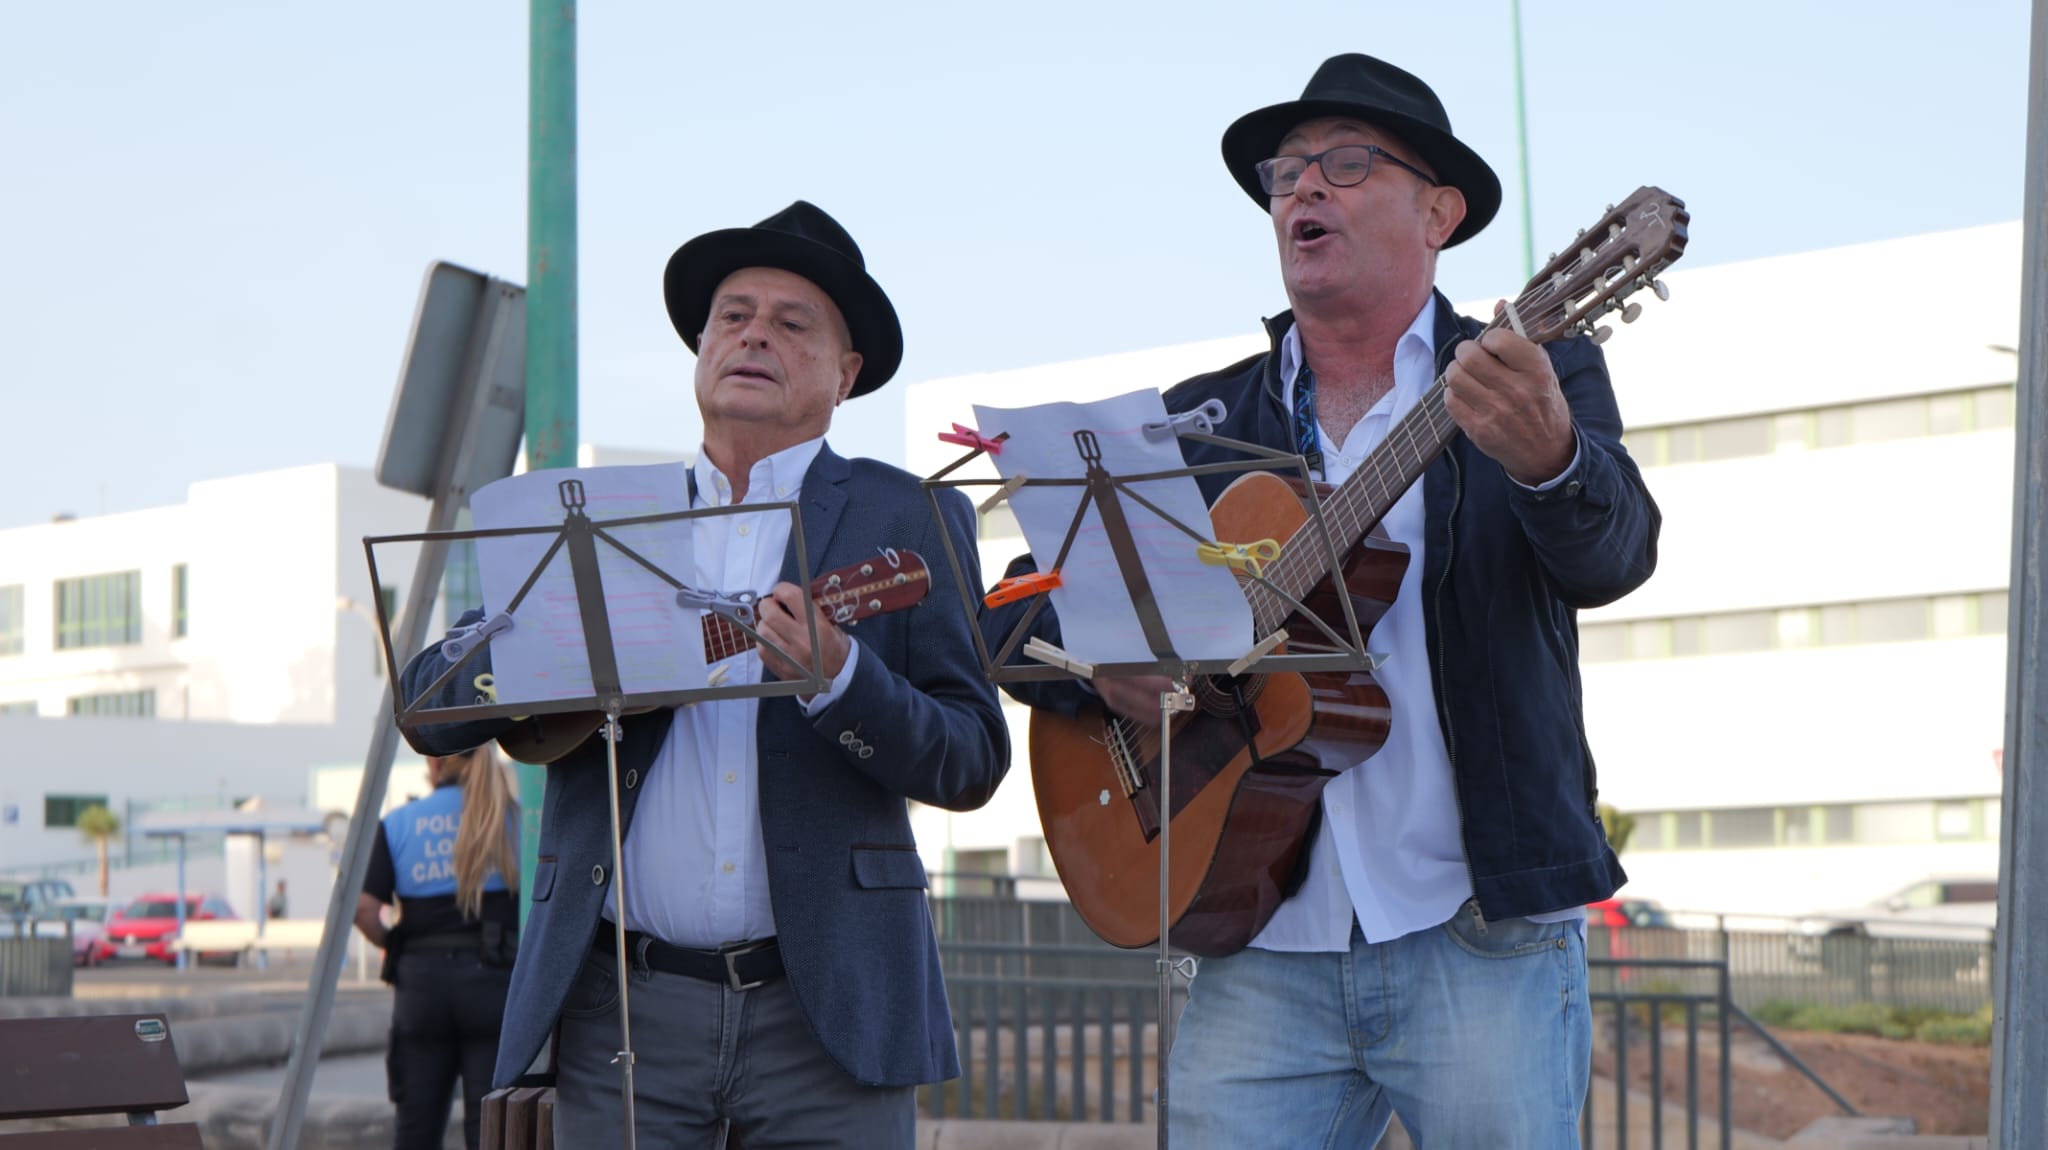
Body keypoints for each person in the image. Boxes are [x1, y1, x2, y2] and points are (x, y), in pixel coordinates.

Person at [984, 54, 1660, 1148]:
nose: (1302, 188)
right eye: (1284, 172)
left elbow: (1616, 554)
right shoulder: (1194, 424)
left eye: (1344, 164)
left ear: (1437, 213)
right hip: (1258, 937)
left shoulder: (1532, 369)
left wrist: (1548, 459)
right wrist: (1103, 658)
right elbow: (1010, 611)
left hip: (1475, 926)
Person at [398, 201, 1009, 1149]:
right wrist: (523, 657)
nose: (755, 333)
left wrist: (842, 679)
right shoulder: (600, 524)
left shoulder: (908, 517)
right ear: (700, 350)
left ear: (845, 374)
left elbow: (970, 759)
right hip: (620, 1010)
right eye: (733, 315)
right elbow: (430, 709)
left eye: (792, 321)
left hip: (832, 1013)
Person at [355, 744, 521, 1150]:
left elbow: (363, 909)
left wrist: (394, 944)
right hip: (493, 986)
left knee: (416, 1129)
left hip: (421, 988)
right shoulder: (516, 821)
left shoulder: (399, 823)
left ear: (435, 761)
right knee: (490, 1131)